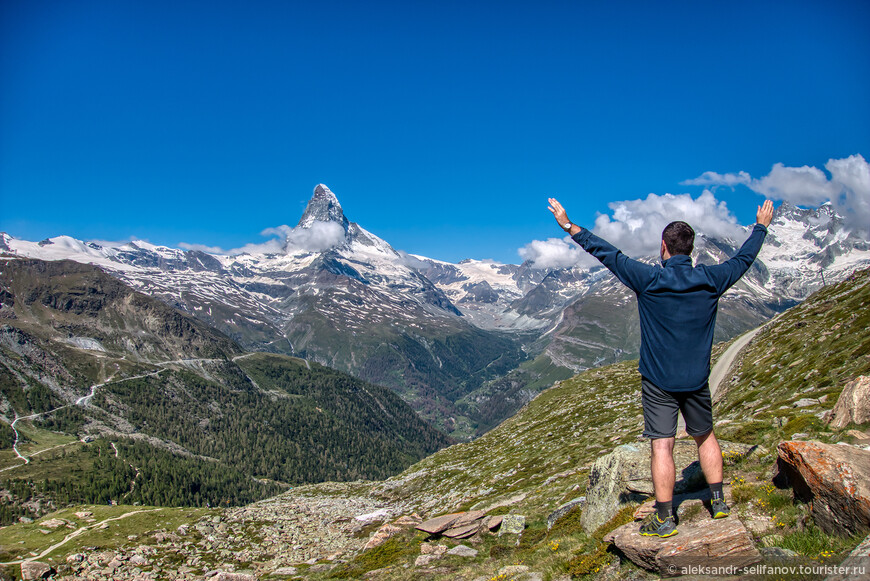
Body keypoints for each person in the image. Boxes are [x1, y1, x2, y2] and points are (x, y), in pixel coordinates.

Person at [548, 197, 774, 538]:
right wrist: (760, 227)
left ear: (664, 247)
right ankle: (718, 501)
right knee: (705, 436)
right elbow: (744, 259)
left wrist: (568, 225)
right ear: (691, 250)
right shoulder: (712, 280)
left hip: (658, 382)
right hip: (696, 379)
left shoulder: (649, 280)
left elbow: (608, 253)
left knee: (662, 446)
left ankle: (665, 517)